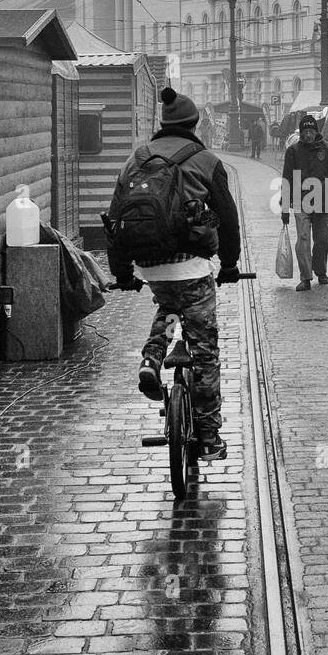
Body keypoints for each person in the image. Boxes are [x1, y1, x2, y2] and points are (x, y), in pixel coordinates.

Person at [105, 88, 241, 461]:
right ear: (194, 124)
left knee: (167, 308)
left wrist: (123, 273)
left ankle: (151, 359)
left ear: (163, 124)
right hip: (193, 268)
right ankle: (210, 436)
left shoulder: (137, 159)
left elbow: (115, 219)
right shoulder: (206, 160)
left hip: (150, 267)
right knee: (204, 351)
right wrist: (229, 265)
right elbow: (226, 219)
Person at [280, 113, 328, 291]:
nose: (308, 134)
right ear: (301, 133)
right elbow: (287, 179)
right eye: (305, 131)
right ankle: (306, 277)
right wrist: (285, 207)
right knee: (303, 239)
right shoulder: (293, 151)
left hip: (323, 201)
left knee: (322, 239)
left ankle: (320, 270)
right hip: (301, 202)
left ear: (316, 132)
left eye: (311, 131)